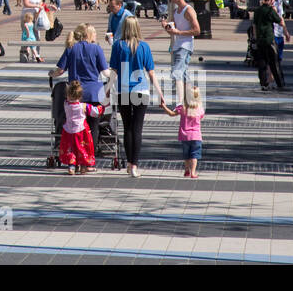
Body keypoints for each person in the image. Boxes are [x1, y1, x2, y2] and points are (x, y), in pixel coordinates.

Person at [108, 16, 165, 178]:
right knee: (137, 128)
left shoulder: (118, 46)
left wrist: (107, 88)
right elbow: (151, 72)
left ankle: (128, 163)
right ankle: (134, 165)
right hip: (141, 90)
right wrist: (159, 92)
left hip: (123, 91)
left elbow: (114, 70)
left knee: (127, 127)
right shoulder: (144, 46)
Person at [51, 22, 111, 157]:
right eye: (94, 32)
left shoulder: (71, 48)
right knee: (93, 126)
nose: (96, 34)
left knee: (75, 126)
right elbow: (105, 72)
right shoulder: (96, 49)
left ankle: (75, 154)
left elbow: (60, 70)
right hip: (94, 94)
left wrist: (51, 74)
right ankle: (90, 156)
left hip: (75, 94)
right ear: (88, 34)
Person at [161, 0, 199, 101]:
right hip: (178, 46)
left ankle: (180, 102)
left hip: (185, 46)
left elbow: (197, 30)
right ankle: (191, 100)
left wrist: (178, 32)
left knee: (177, 73)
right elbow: (172, 31)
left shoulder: (189, 10)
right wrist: (166, 26)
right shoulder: (176, 11)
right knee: (183, 74)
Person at [59, 81, 102, 175]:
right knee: (82, 148)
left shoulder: (66, 105)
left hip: (68, 130)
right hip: (81, 131)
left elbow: (68, 100)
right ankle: (83, 166)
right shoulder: (83, 106)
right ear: (80, 96)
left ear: (67, 95)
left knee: (70, 148)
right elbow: (95, 112)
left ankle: (71, 166)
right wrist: (101, 107)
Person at [164, 85, 205, 179]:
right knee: (194, 155)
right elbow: (201, 117)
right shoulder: (200, 110)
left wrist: (164, 106)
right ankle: (193, 172)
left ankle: (186, 170)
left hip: (184, 136)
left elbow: (171, 113)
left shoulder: (182, 108)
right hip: (196, 136)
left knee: (186, 155)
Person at [252, 0, 287, 91]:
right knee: (274, 63)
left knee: (262, 63)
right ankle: (280, 84)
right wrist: (275, 11)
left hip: (260, 40)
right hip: (269, 38)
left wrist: (255, 38)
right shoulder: (270, 10)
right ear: (271, 0)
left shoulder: (257, 10)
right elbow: (280, 22)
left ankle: (264, 83)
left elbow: (254, 25)